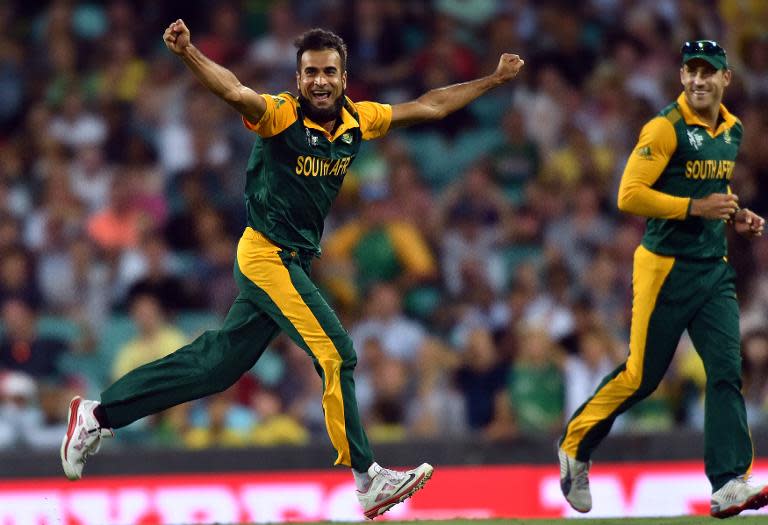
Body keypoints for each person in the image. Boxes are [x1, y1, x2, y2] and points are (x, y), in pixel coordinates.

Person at [60, 20, 524, 519]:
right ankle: (367, 478)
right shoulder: (281, 116)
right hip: (266, 256)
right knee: (337, 353)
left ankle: (98, 415)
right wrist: (189, 53)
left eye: (329, 72)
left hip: (291, 261)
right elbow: (235, 90)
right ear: (298, 79)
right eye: (310, 73)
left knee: (217, 366)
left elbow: (431, 105)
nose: (320, 81)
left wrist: (492, 81)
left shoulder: (358, 121)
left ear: (345, 78)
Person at [557, 40, 768, 519]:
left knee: (726, 371)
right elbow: (629, 195)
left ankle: (730, 481)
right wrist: (696, 208)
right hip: (664, 266)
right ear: (681, 77)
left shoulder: (732, 130)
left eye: (708, 72)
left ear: (725, 79)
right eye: (690, 71)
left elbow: (713, 189)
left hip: (712, 268)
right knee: (641, 377)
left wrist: (733, 213)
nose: (698, 80)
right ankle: (574, 446)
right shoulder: (665, 127)